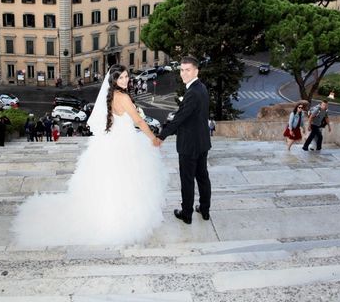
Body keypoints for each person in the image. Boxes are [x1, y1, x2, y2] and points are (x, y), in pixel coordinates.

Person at [12, 64, 167, 246]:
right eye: (121, 77)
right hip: (125, 143)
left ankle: (105, 214)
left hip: (111, 141)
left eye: (126, 76)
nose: (125, 80)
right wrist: (153, 138)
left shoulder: (110, 96)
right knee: (127, 180)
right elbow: (139, 121)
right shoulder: (123, 97)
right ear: (114, 80)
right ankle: (121, 220)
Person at [158, 56, 211, 225]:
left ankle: (186, 214)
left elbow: (180, 118)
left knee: (187, 180)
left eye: (187, 70)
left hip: (189, 145)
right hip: (202, 142)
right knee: (203, 177)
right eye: (181, 70)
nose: (184, 73)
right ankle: (204, 210)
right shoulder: (201, 88)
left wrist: (161, 135)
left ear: (196, 71)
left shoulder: (193, 92)